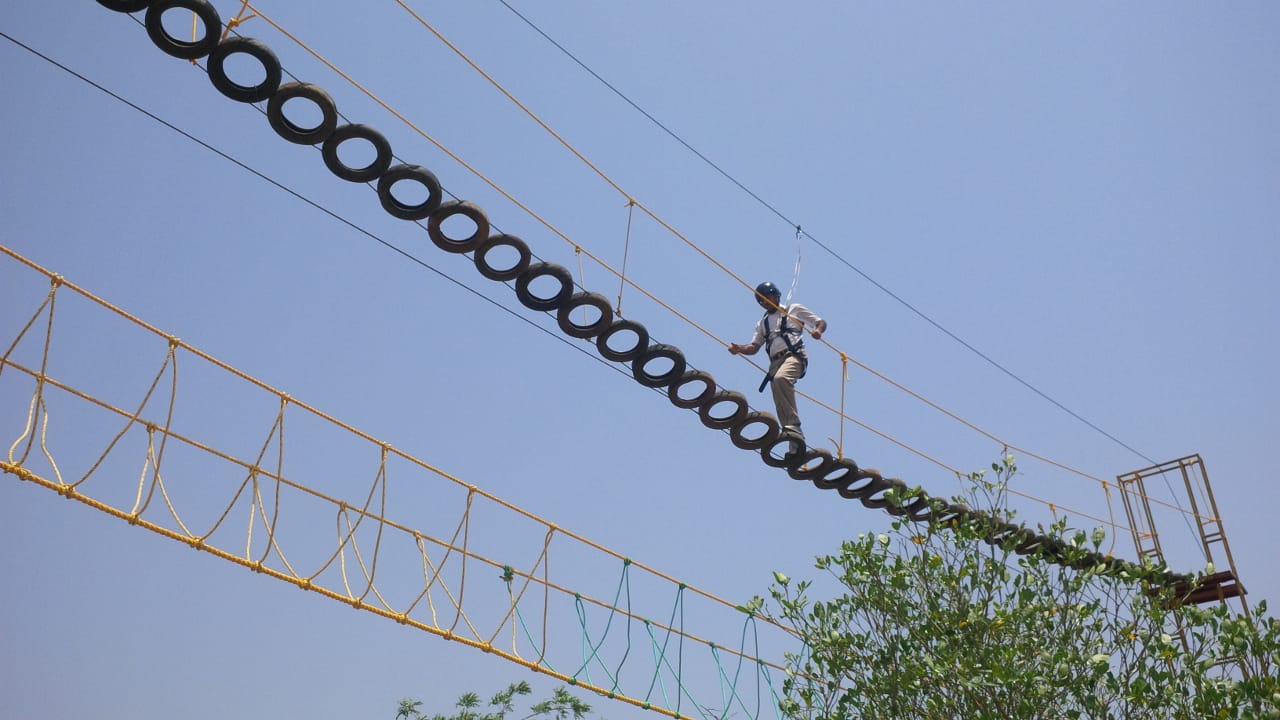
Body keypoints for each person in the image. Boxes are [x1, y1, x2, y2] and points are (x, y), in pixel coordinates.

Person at [727, 281, 826, 457]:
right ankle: (794, 443)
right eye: (762, 301)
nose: (766, 303)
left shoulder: (793, 310)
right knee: (779, 400)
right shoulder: (762, 323)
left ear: (776, 295)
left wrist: (818, 331)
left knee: (781, 379)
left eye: (768, 298)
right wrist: (739, 349)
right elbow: (754, 346)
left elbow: (820, 322)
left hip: (794, 356)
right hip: (775, 363)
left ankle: (794, 427)